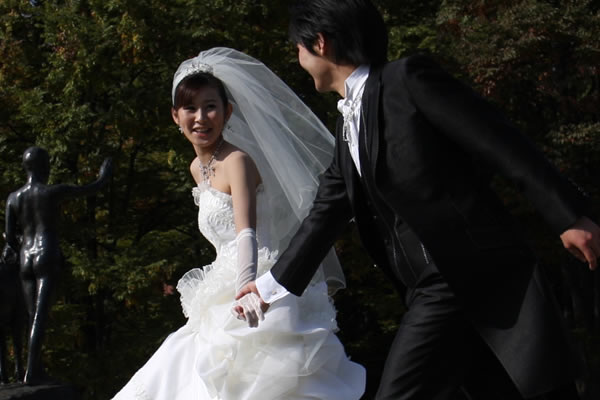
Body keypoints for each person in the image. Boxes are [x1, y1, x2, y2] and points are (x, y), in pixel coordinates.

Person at [236, 1, 600, 399]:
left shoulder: (406, 80)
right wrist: (267, 287)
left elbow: (499, 141)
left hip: (468, 272)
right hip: (430, 288)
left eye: (299, 48)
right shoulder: (346, 125)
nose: (299, 58)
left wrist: (569, 215)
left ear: (320, 43)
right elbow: (326, 212)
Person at [111, 47, 365, 400]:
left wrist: (247, 290)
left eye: (210, 107)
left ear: (227, 111)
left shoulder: (237, 161)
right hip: (220, 279)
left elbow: (247, 233)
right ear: (175, 115)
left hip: (252, 278)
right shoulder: (197, 167)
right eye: (190, 108)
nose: (201, 118)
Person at [4, 146, 111, 384]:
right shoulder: (52, 192)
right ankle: (32, 371)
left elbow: (10, 237)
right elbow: (91, 188)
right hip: (46, 253)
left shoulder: (13, 198)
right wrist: (104, 173)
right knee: (40, 315)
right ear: (44, 166)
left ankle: (33, 367)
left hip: (25, 257)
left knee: (32, 315)